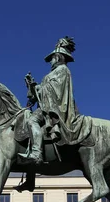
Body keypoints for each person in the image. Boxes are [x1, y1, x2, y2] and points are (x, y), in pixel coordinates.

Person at [18, 36, 90, 165]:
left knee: (31, 120)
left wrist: (39, 87)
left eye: (52, 58)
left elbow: (56, 89)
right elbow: (44, 90)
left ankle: (36, 153)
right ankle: (30, 177)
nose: (51, 61)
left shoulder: (63, 70)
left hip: (54, 107)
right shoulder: (55, 72)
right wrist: (32, 86)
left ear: (57, 57)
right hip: (48, 104)